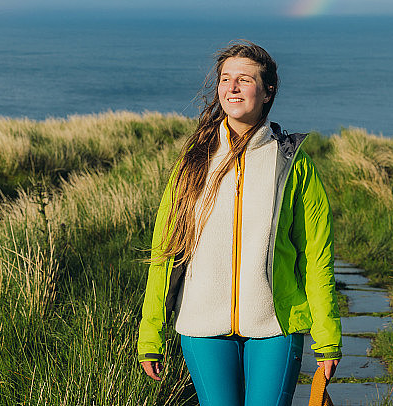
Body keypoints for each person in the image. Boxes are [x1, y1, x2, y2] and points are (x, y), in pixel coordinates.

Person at [137, 41, 341, 406]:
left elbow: (316, 257)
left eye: (245, 80)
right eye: (226, 79)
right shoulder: (193, 162)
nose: (232, 87)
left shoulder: (292, 164)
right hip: (201, 326)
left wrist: (327, 338)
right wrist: (150, 333)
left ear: (267, 92)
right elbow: (164, 252)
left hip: (275, 327)